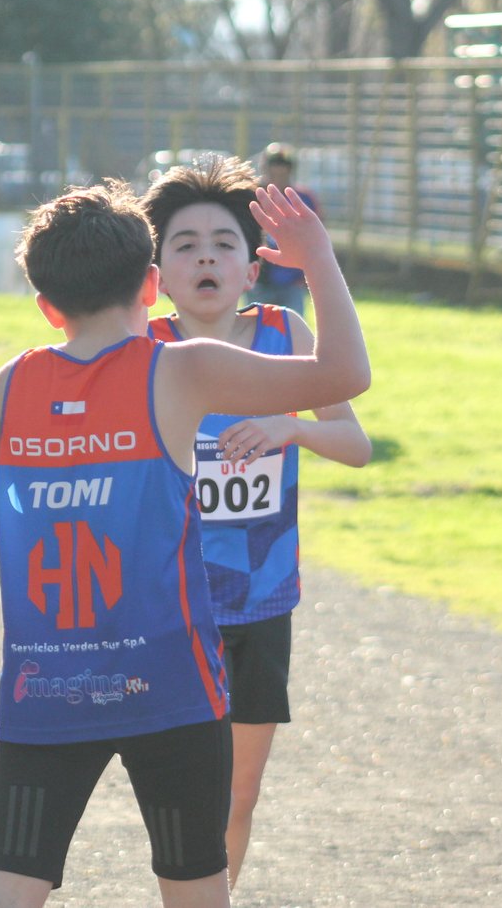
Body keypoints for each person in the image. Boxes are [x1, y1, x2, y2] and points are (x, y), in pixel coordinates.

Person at [0, 179, 369, 908]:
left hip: (48, 685)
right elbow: (348, 376)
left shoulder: (14, 382)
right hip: (172, 683)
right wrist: (317, 261)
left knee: (4, 883)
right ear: (153, 284)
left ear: (47, 306)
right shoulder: (178, 369)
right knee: (194, 889)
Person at [141, 157, 371, 889]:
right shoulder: (144, 352)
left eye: (223, 242)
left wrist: (291, 428)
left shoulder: (287, 332)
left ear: (249, 269)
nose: (205, 254)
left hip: (262, 602)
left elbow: (357, 445)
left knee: (239, 793)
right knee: (184, 791)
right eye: (184, 244)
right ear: (159, 274)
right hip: (173, 607)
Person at [247, 144, 319, 316]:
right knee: (254, 332)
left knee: (293, 332)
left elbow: (315, 236)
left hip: (292, 279)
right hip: (259, 277)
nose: (279, 171)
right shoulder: (252, 194)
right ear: (265, 167)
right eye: (274, 165)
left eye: (283, 166)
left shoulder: (302, 198)